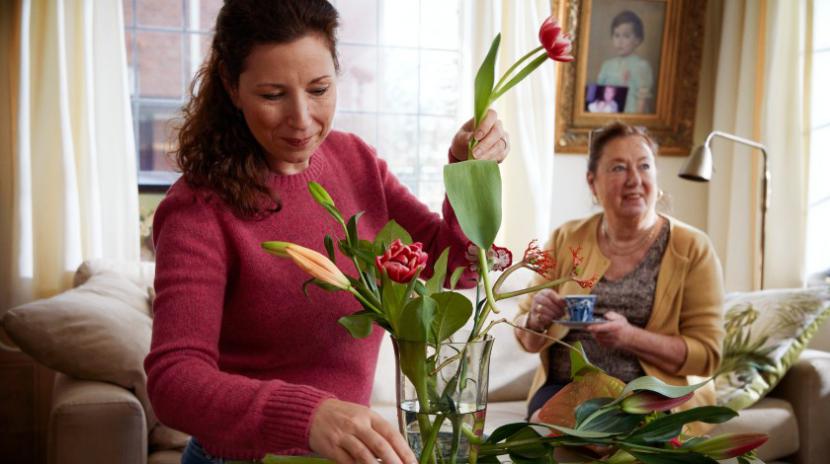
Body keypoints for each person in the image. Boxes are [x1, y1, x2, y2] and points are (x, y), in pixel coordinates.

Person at [144, 1, 510, 463]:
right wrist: (306, 416)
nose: (301, 118)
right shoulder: (198, 210)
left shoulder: (355, 162)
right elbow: (174, 381)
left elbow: (455, 271)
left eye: (319, 89)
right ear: (230, 87)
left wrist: (469, 175)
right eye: (273, 95)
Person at [514, 122, 724, 426]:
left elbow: (707, 355)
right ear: (592, 182)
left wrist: (631, 338)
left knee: (604, 437)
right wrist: (536, 319)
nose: (634, 180)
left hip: (653, 394)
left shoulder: (692, 248)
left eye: (644, 166)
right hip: (566, 389)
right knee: (561, 429)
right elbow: (525, 336)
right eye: (618, 168)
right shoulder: (566, 238)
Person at [596, 10, 654, 113]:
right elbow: (600, 96)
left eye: (626, 36)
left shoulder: (642, 66)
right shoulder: (607, 65)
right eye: (616, 35)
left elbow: (642, 99)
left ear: (637, 40)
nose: (620, 41)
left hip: (632, 118)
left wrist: (634, 122)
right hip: (608, 117)